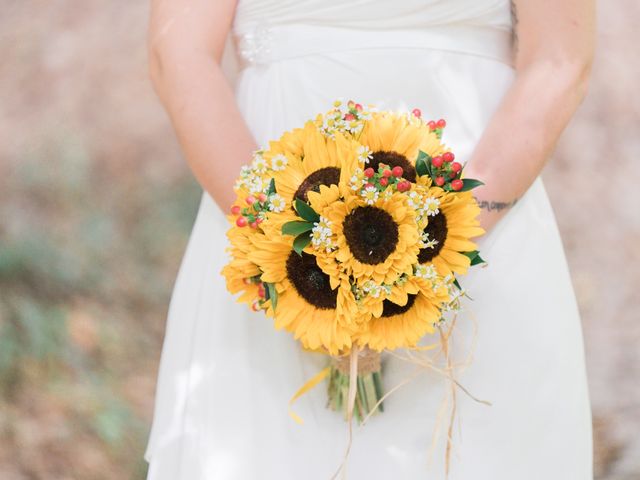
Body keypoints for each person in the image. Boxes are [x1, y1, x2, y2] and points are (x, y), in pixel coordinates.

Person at [144, 0, 595, 478]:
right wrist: (283, 248)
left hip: (483, 247)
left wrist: (436, 244)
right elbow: (178, 54)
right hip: (265, 242)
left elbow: (561, 59)